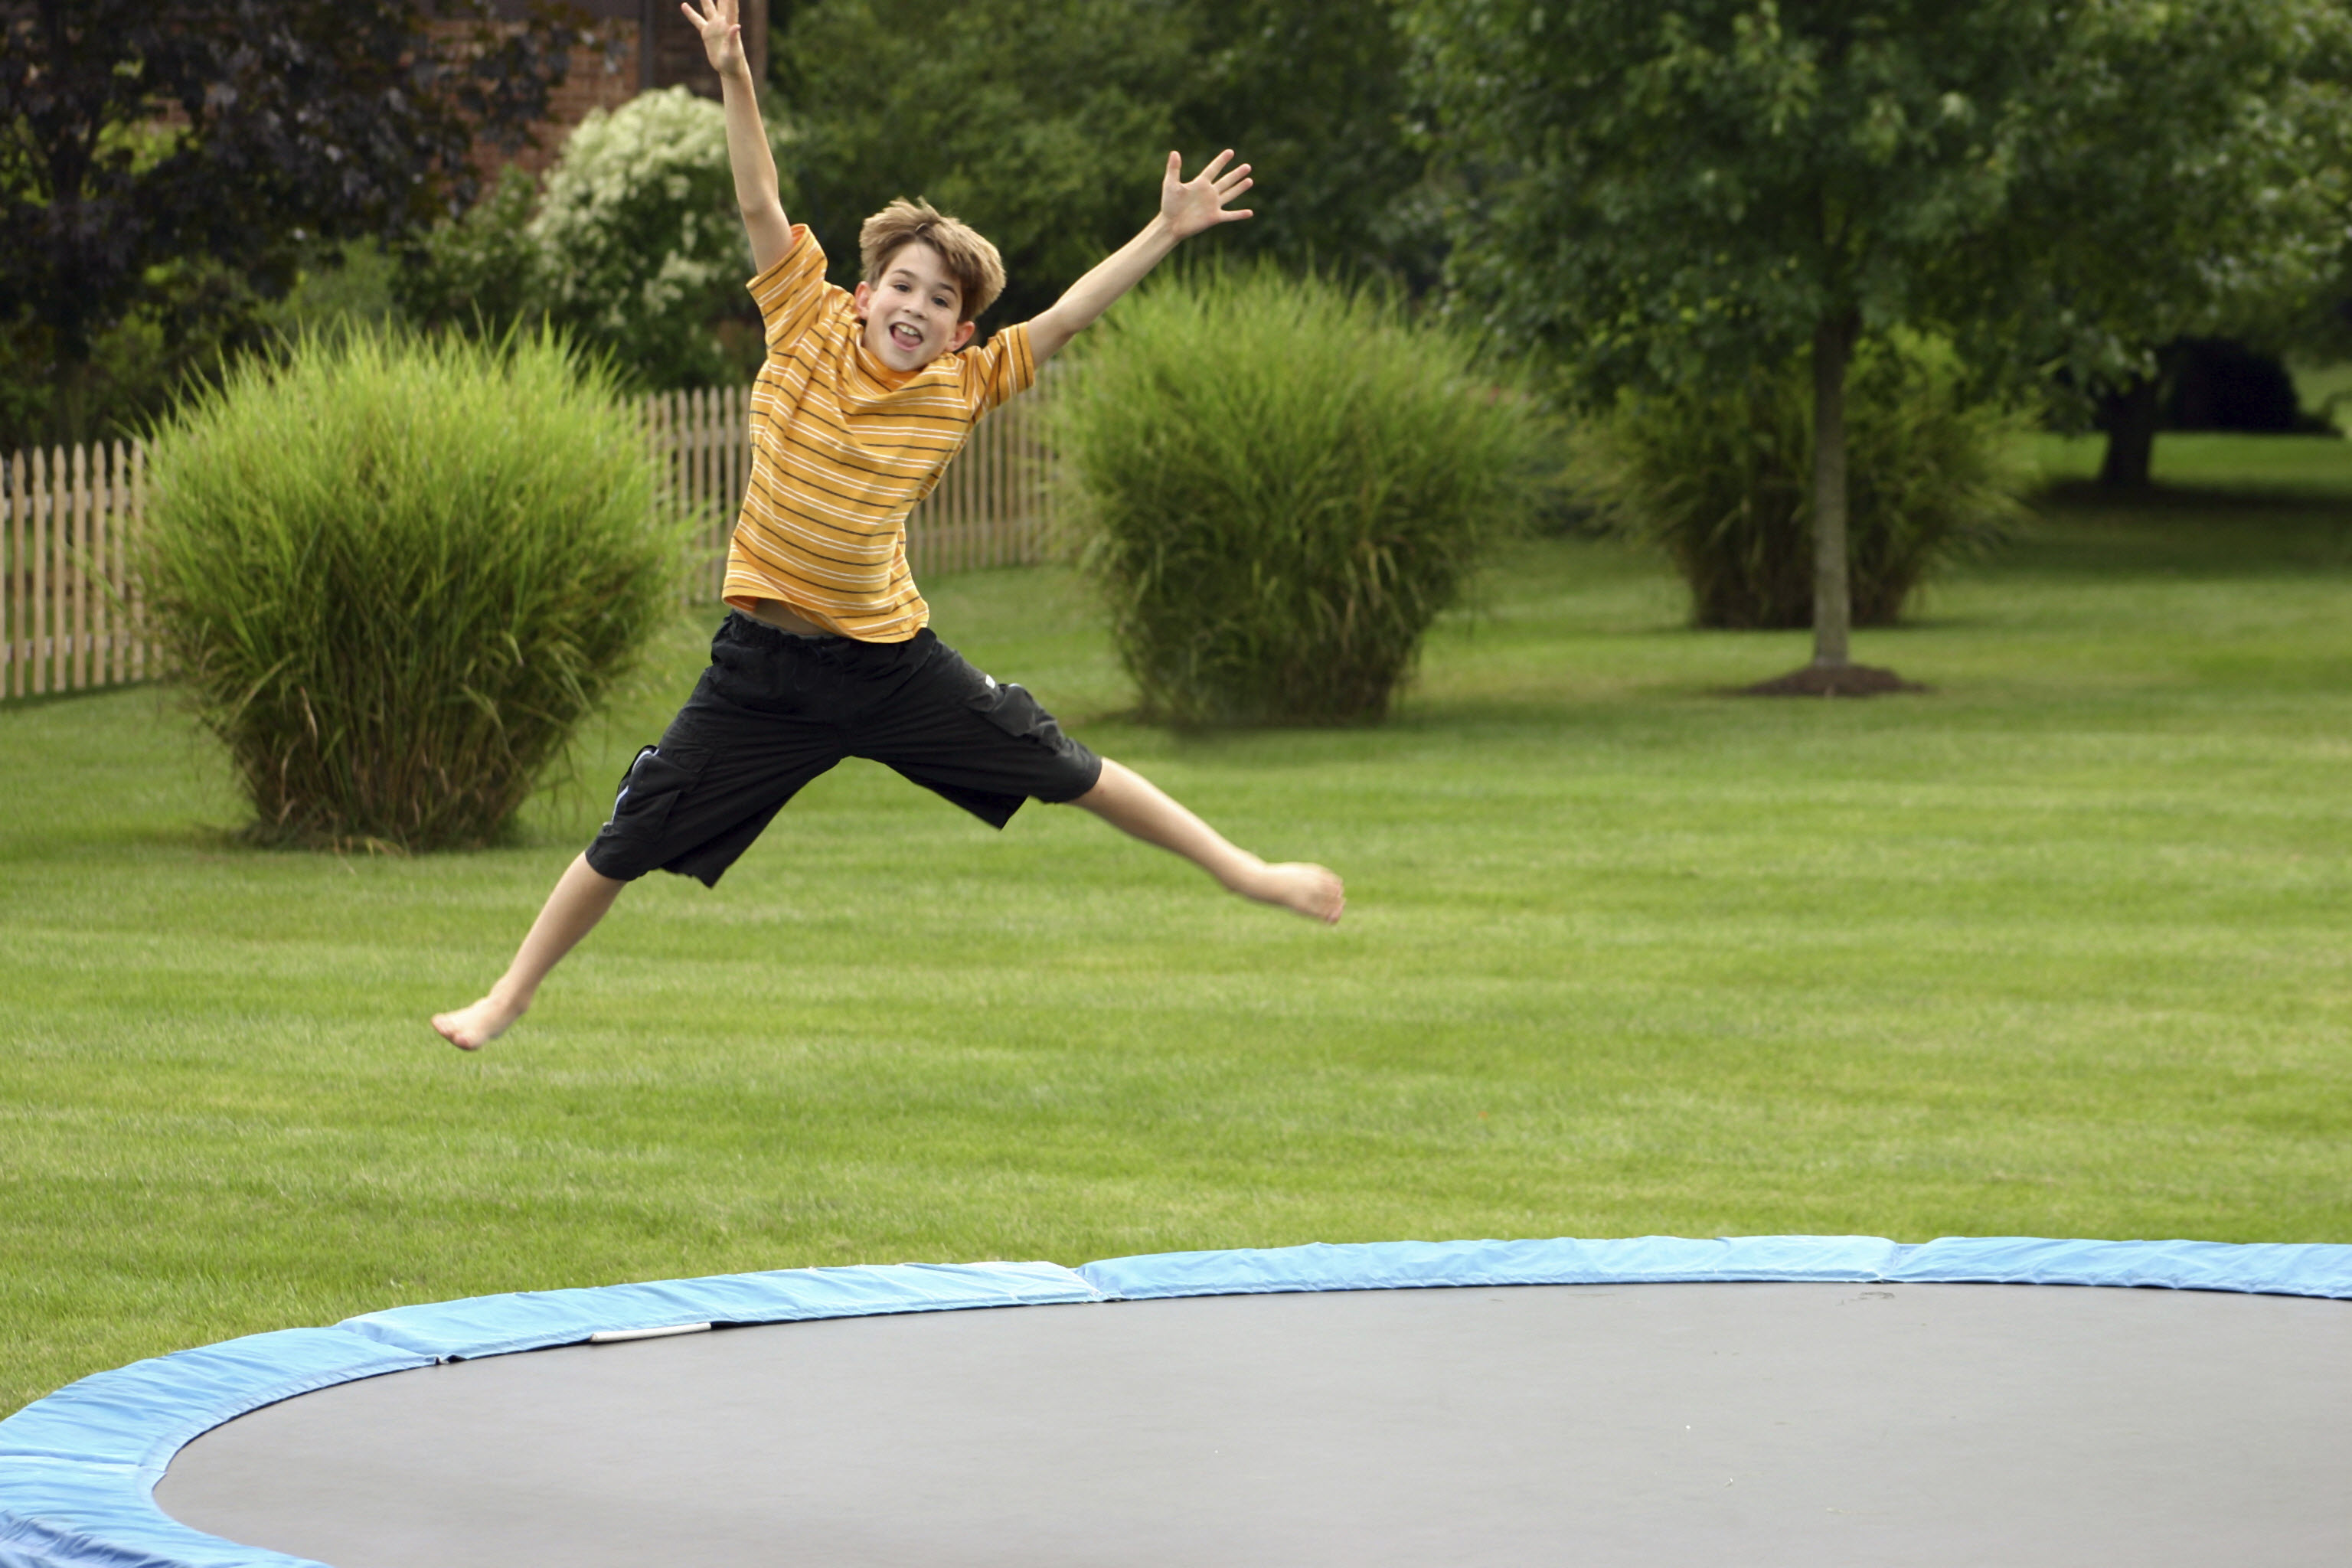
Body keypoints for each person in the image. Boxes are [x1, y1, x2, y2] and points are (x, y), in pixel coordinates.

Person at [431, 0, 1342, 1050]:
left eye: (941, 300)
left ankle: (1250, 873)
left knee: (1064, 768)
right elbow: (760, 195)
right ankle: (511, 995)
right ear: (863, 294)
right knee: (629, 833)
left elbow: (1070, 314)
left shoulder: (963, 386)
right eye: (901, 285)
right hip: (760, 676)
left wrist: (1166, 230)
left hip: (890, 668)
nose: (916, 306)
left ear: (964, 328)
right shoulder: (802, 321)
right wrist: (731, 70)